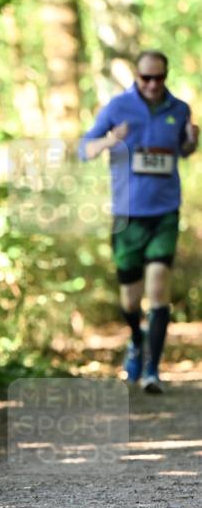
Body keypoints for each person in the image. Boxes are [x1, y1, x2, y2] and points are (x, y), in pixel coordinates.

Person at [79, 50, 198, 393]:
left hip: (165, 211)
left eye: (158, 78)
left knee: (158, 289)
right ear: (136, 77)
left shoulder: (179, 109)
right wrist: (110, 140)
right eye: (145, 78)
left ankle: (152, 370)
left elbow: (184, 151)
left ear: (166, 76)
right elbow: (84, 149)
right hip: (127, 214)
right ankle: (136, 339)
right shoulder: (118, 107)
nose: (151, 84)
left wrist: (192, 140)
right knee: (130, 300)